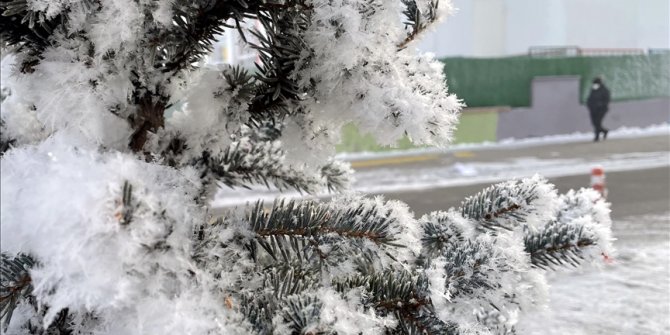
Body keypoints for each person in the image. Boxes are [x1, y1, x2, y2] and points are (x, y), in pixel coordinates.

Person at [586, 77, 611, 142]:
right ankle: (605, 131)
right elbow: (590, 98)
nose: (594, 85)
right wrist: (588, 105)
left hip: (601, 110)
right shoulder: (593, 90)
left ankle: (596, 137)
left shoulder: (604, 90)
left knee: (597, 123)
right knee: (594, 123)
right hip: (593, 109)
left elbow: (607, 100)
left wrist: (601, 104)